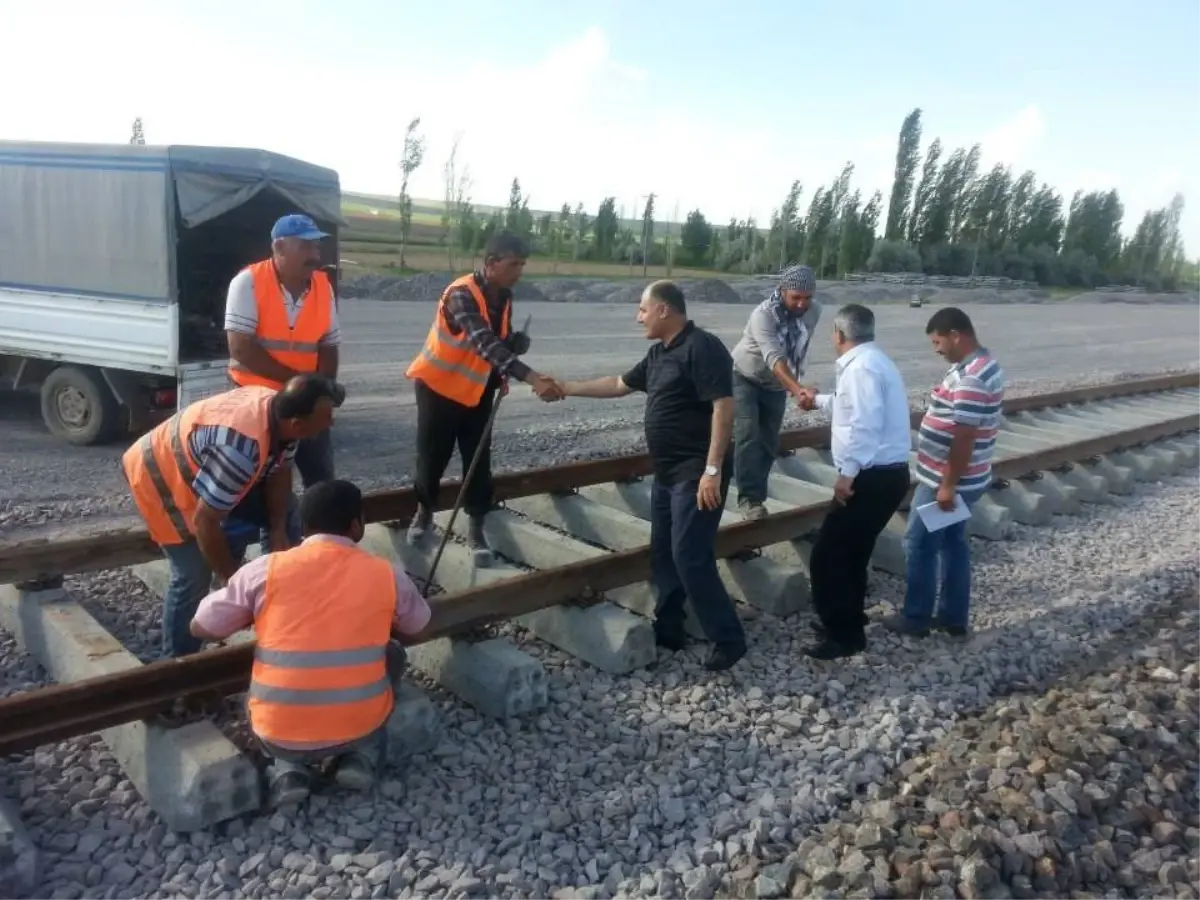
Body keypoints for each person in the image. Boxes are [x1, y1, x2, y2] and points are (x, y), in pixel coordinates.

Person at [190, 479, 432, 808]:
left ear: (303, 526)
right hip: (360, 726)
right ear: (356, 525)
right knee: (392, 653)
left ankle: (288, 770)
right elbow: (418, 625)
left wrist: (257, 612)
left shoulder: (265, 570)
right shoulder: (386, 573)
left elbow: (202, 627)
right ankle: (360, 757)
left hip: (278, 733)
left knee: (264, 676)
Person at [556, 281, 747, 671]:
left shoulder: (703, 347)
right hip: (667, 473)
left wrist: (712, 470)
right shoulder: (659, 354)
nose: (637, 316)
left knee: (690, 555)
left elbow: (724, 408)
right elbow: (617, 385)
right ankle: (670, 629)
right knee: (664, 555)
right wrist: (564, 388)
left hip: (696, 473)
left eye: (642, 309)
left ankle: (729, 640)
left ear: (664, 310)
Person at [121, 374, 341, 660]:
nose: (331, 423)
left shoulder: (280, 414)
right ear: (298, 424)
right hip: (160, 477)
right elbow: (205, 522)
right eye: (326, 417)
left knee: (288, 514)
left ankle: (275, 598)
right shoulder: (240, 451)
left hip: (208, 468)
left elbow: (280, 471)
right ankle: (178, 664)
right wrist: (232, 580)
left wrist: (277, 530)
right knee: (192, 574)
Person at [404, 230, 563, 564]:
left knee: (478, 461)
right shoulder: (461, 294)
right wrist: (532, 377)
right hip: (439, 389)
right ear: (491, 263)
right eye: (513, 264)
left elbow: (496, 340)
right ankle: (424, 513)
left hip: (477, 391)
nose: (519, 271)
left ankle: (476, 526)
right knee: (432, 456)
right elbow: (483, 342)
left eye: (522, 264)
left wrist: (513, 343)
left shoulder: (503, 295)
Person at [797, 304, 911, 660]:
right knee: (854, 552)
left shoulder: (860, 368)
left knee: (828, 554)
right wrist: (816, 401)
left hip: (870, 476)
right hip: (886, 474)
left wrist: (848, 474)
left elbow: (864, 424)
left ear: (839, 334)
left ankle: (843, 635)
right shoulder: (875, 361)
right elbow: (851, 406)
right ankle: (848, 617)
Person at [885, 307, 1004, 638]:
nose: (936, 349)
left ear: (956, 335)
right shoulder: (978, 365)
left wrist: (948, 486)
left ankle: (916, 618)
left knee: (919, 543)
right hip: (966, 478)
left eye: (938, 341)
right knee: (952, 542)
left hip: (950, 481)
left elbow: (964, 437)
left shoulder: (973, 379)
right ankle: (953, 618)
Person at [225, 214, 341, 488]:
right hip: (257, 403)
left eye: (316, 246)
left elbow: (329, 344)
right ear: (279, 248)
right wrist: (299, 383)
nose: (314, 254)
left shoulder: (323, 287)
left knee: (321, 480)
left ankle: (318, 528)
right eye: (305, 246)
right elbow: (241, 348)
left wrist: (323, 388)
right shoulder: (248, 282)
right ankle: (273, 531)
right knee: (261, 483)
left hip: (305, 399)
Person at [730, 264, 823, 519]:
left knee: (769, 441)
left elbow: (798, 347)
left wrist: (797, 384)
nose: (803, 304)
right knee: (748, 434)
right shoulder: (764, 315)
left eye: (808, 297)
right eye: (796, 298)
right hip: (745, 376)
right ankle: (750, 500)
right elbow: (775, 357)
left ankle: (744, 477)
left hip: (776, 385)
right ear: (782, 291)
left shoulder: (815, 311)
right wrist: (798, 389)